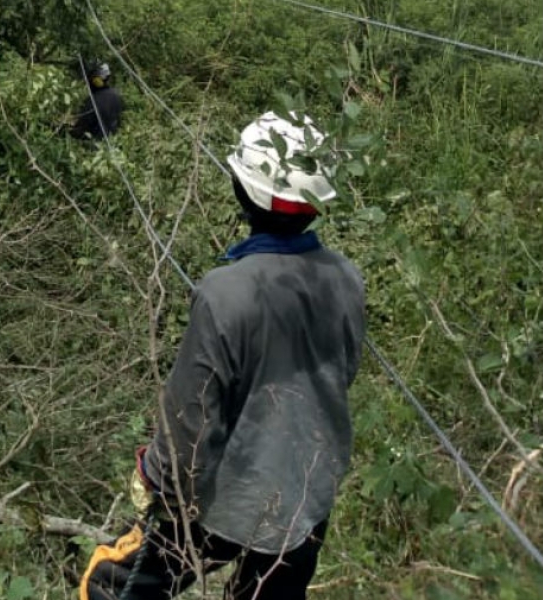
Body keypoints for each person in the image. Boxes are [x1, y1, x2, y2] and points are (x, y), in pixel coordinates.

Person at [81, 112, 367, 600]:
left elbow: (191, 419)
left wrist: (158, 479)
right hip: (306, 497)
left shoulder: (226, 292)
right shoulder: (345, 276)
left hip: (222, 500)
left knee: (109, 585)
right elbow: (345, 371)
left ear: (242, 189)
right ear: (319, 202)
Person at [70, 62, 124, 141]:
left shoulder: (91, 102)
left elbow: (80, 130)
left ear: (95, 81)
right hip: (114, 141)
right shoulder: (116, 95)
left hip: (95, 145)